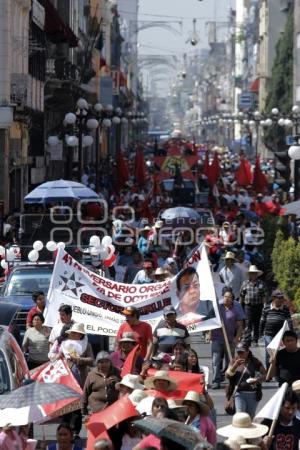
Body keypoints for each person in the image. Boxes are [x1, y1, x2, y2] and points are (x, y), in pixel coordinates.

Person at [210, 290, 245, 389]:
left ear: (232, 299)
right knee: (216, 360)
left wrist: (237, 338)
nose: (227, 298)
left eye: (229, 297)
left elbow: (240, 325)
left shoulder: (236, 310)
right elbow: (210, 320)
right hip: (217, 338)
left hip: (230, 339)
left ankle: (229, 378)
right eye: (225, 296)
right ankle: (216, 381)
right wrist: (209, 334)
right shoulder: (218, 308)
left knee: (229, 360)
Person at [226, 342, 266, 418]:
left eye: (242, 352)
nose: (240, 354)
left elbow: (265, 374)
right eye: (238, 352)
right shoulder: (234, 361)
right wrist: (235, 365)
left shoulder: (255, 361)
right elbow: (227, 375)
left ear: (247, 351)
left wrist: (258, 379)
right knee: (240, 417)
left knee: (250, 417)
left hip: (253, 394)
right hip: (239, 393)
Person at [49, 322, 94, 387]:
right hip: (66, 374)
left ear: (81, 335)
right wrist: (59, 356)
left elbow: (91, 360)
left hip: (81, 375)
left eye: (75, 333)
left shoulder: (86, 345)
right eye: (72, 332)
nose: (72, 334)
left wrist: (79, 359)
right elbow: (55, 355)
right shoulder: (65, 344)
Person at [259, 289, 293, 368]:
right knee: (269, 352)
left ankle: (278, 370)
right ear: (274, 298)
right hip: (268, 334)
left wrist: (291, 332)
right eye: (279, 298)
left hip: (280, 335)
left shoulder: (285, 309)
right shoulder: (266, 308)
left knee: (280, 352)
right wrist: (260, 334)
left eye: (282, 297)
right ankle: (268, 371)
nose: (281, 300)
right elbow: (262, 321)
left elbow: (289, 320)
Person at [81, 351, 120, 420]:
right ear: (97, 363)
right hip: (96, 410)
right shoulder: (91, 375)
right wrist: (84, 412)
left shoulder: (116, 372)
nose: (104, 364)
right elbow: (85, 393)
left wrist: (117, 383)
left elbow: (124, 388)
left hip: (114, 410)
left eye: (106, 362)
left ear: (110, 363)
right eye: (101, 362)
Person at [240, 265, 268, 346]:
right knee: (248, 323)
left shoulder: (262, 284)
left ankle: (255, 340)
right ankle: (247, 340)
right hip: (248, 306)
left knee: (257, 323)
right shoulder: (245, 283)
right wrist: (240, 306)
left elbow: (265, 296)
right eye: (252, 273)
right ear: (249, 274)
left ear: (257, 274)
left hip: (258, 306)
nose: (253, 275)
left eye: (255, 273)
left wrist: (265, 306)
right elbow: (242, 295)